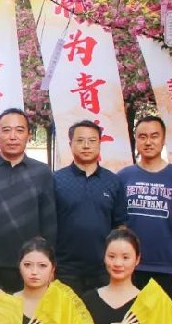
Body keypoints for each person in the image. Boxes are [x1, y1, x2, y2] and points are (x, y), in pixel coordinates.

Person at [0, 109, 56, 293]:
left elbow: (49, 223)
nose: (13, 137)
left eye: (19, 130)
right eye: (6, 130)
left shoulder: (42, 172)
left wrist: (50, 263)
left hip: (30, 264)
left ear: (29, 135)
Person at [119, 116, 172, 296]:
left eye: (154, 136)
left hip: (167, 269)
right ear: (136, 140)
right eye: (142, 136)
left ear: (163, 139)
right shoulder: (123, 176)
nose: (148, 142)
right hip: (129, 266)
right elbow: (117, 225)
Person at [54, 120, 127, 293]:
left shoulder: (113, 181)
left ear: (100, 144)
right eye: (80, 140)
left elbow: (120, 225)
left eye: (92, 141)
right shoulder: (56, 180)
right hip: (65, 269)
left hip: (103, 268)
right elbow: (48, 224)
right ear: (70, 144)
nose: (86, 146)